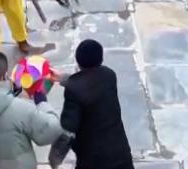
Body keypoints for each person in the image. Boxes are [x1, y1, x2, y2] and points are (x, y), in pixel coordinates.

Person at [54, 40, 135, 169]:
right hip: (120, 155)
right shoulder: (109, 75)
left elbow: (68, 129)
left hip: (92, 160)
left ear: (78, 61)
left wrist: (55, 157)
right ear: (101, 59)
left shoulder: (73, 90)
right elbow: (90, 84)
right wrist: (66, 79)